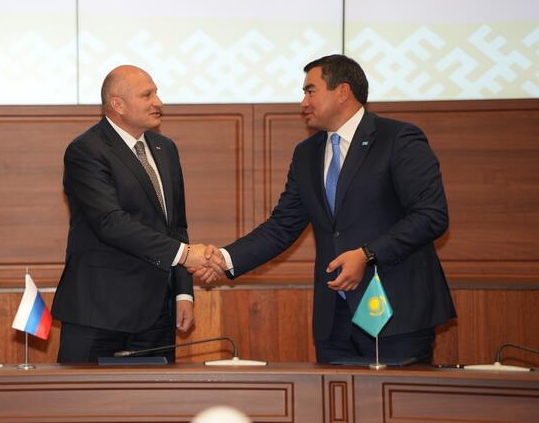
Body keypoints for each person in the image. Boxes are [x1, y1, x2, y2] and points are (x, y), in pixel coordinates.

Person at [193, 54, 456, 364]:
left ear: (342, 91)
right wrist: (224, 259)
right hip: (335, 320)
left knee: (396, 397)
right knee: (333, 397)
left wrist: (367, 254)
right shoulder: (307, 153)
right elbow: (283, 226)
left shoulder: (397, 139)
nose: (303, 102)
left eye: (310, 91)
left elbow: (431, 215)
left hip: (397, 313)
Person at [52, 65, 213, 363]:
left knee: (154, 394)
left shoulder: (166, 149)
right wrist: (185, 255)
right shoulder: (86, 150)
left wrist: (183, 294)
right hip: (99, 312)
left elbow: (176, 226)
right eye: (147, 95)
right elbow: (110, 222)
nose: (158, 102)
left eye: (156, 93)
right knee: (84, 393)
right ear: (118, 104)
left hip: (157, 314)